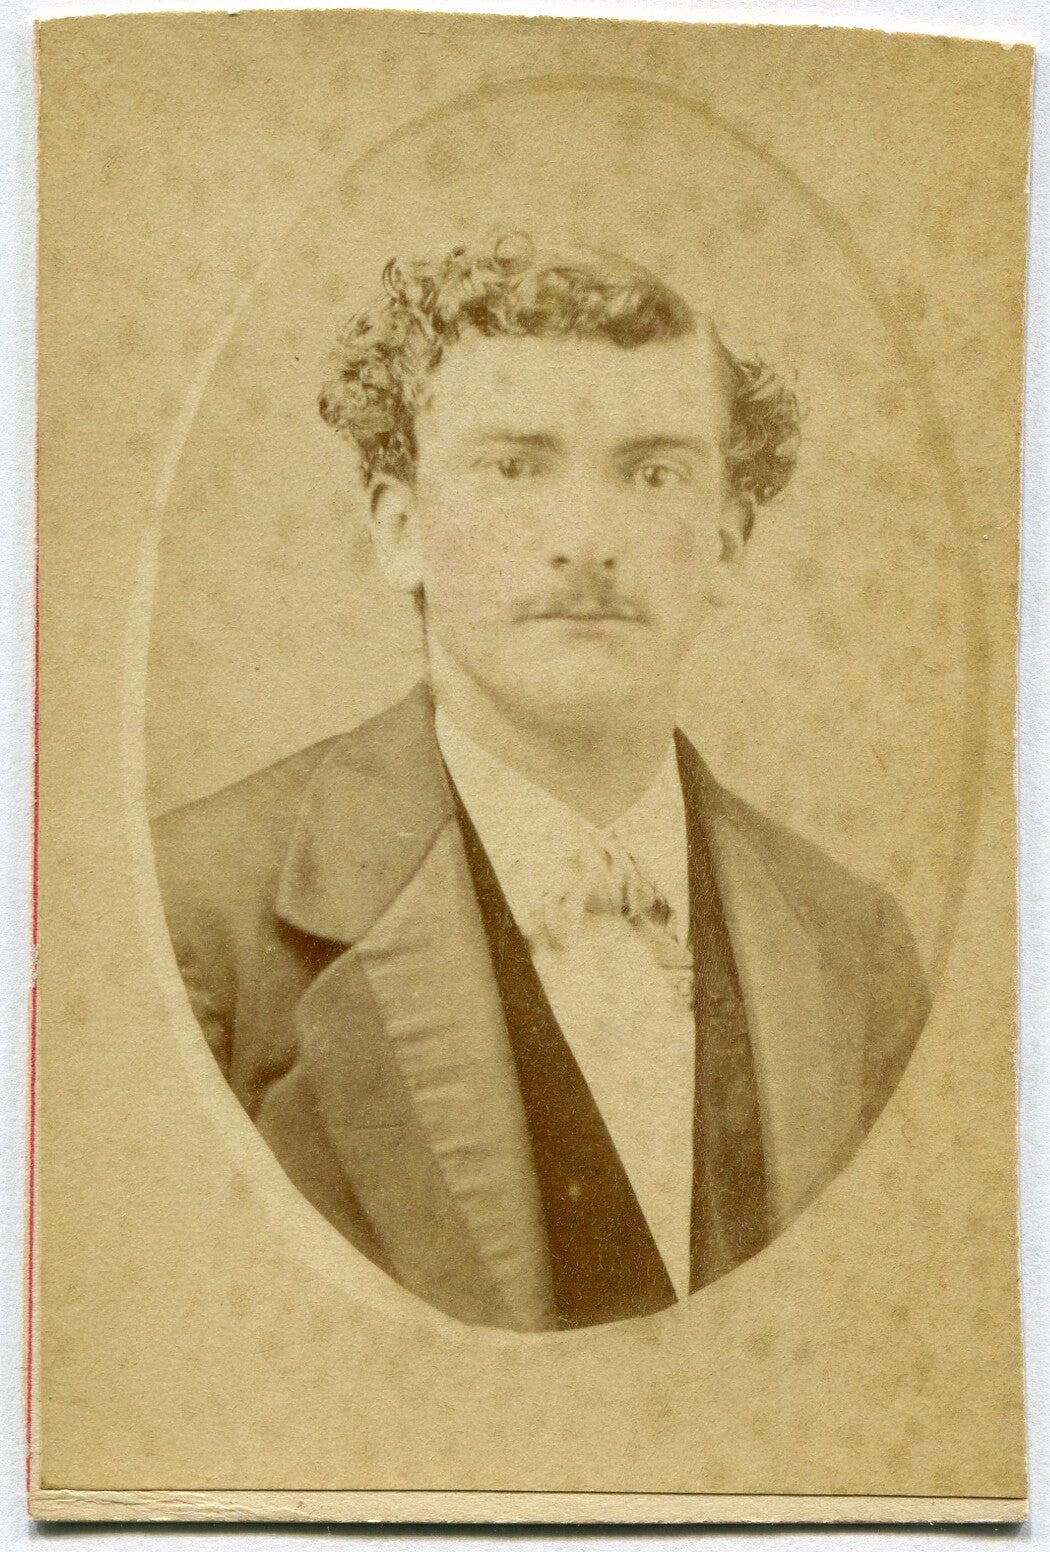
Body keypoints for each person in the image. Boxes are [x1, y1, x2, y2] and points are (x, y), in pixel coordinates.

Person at [152, 234, 930, 1333]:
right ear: (400, 529)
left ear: (728, 541)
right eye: (515, 467)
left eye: (653, 472)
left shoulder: (857, 949)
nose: (587, 540)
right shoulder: (197, 914)